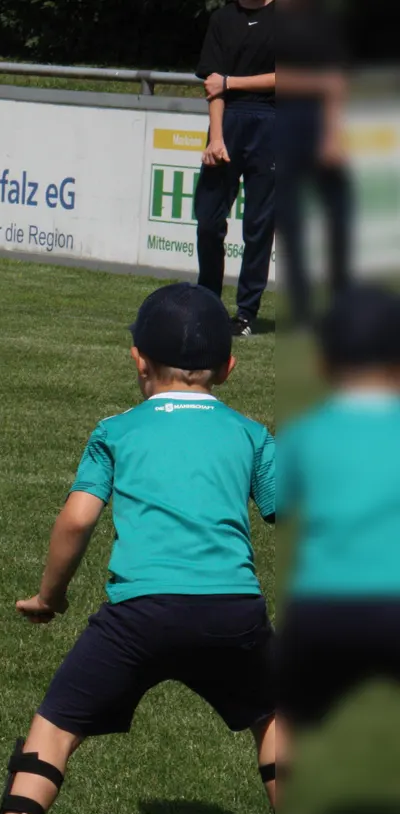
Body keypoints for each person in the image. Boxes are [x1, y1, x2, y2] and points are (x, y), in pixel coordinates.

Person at [0, 283, 279, 814]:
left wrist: (50, 597)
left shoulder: (116, 431)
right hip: (232, 611)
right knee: (275, 714)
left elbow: (77, 519)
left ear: (137, 360)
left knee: (57, 724)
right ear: (229, 368)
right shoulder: (250, 434)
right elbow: (289, 508)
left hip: (139, 617)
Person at [276, 284, 400, 770]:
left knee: (283, 716)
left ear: (323, 364)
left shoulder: (307, 432)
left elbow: (278, 502)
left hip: (321, 607)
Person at [195, 0, 277, 337]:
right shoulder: (222, 19)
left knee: (259, 223)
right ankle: (208, 302)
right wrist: (216, 138)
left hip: (273, 122)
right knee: (208, 220)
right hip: (227, 123)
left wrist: (231, 82)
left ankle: (246, 313)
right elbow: (213, 85)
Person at [275, 0, 351, 331]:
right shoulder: (270, 21)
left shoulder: (324, 21)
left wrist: (332, 136)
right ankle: (303, 310)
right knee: (290, 224)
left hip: (320, 123)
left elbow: (337, 82)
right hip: (283, 123)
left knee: (341, 214)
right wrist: (316, 84)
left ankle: (342, 302)